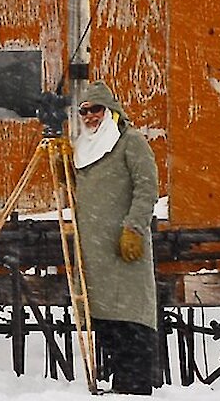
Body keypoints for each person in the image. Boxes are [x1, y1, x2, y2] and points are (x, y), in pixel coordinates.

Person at [69, 82, 161, 394]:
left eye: (96, 109)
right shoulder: (82, 147)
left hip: (124, 244)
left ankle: (135, 384)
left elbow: (147, 187)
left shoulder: (130, 141)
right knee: (105, 318)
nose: (90, 116)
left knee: (131, 316)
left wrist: (134, 226)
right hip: (94, 249)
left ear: (110, 111)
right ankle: (121, 382)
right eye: (85, 111)